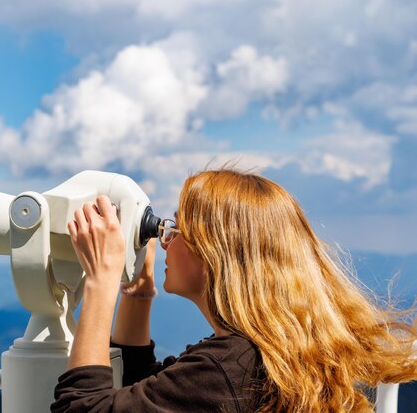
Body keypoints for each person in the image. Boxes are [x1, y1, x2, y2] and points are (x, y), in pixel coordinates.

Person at [51, 169, 417, 412]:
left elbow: (83, 407)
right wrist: (137, 291)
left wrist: (100, 279)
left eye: (178, 228)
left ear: (214, 253)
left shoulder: (224, 368)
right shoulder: (263, 355)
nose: (164, 242)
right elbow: (146, 394)